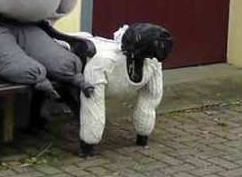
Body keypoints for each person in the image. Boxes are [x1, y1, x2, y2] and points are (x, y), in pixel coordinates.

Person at [73, 23, 173, 157]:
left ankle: (88, 146)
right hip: (96, 59)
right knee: (94, 101)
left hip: (106, 60)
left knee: (95, 102)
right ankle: (91, 142)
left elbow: (153, 94)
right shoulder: (102, 62)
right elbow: (92, 100)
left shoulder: (153, 62)